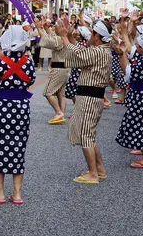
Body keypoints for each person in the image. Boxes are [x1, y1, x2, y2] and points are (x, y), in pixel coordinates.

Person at [0, 26, 36, 205]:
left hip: (1, 108)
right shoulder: (28, 63)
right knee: (18, 146)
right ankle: (17, 194)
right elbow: (31, 79)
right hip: (21, 108)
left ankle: (0, 192)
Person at [56, 18, 113, 184]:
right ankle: (99, 170)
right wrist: (70, 37)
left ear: (96, 35)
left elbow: (78, 55)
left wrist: (65, 37)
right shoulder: (101, 50)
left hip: (89, 97)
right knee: (90, 135)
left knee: (86, 135)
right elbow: (81, 51)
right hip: (92, 96)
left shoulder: (98, 51)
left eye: (93, 33)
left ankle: (93, 173)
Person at [115, 30, 143, 169]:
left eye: (139, 45)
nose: (137, 47)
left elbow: (128, 72)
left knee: (142, 127)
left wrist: (122, 54)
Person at [36, 18, 69, 124]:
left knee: (47, 92)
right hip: (65, 68)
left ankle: (59, 112)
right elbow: (51, 36)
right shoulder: (64, 37)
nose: (55, 28)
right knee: (60, 93)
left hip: (58, 69)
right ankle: (61, 115)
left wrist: (38, 28)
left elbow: (47, 41)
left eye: (57, 26)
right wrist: (45, 27)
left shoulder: (60, 39)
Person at [65, 26, 91, 103]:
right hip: (76, 70)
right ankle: (78, 110)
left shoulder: (82, 44)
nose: (76, 33)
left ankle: (79, 110)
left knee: (74, 90)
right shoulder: (82, 43)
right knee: (73, 91)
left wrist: (69, 34)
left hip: (79, 71)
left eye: (78, 33)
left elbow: (69, 41)